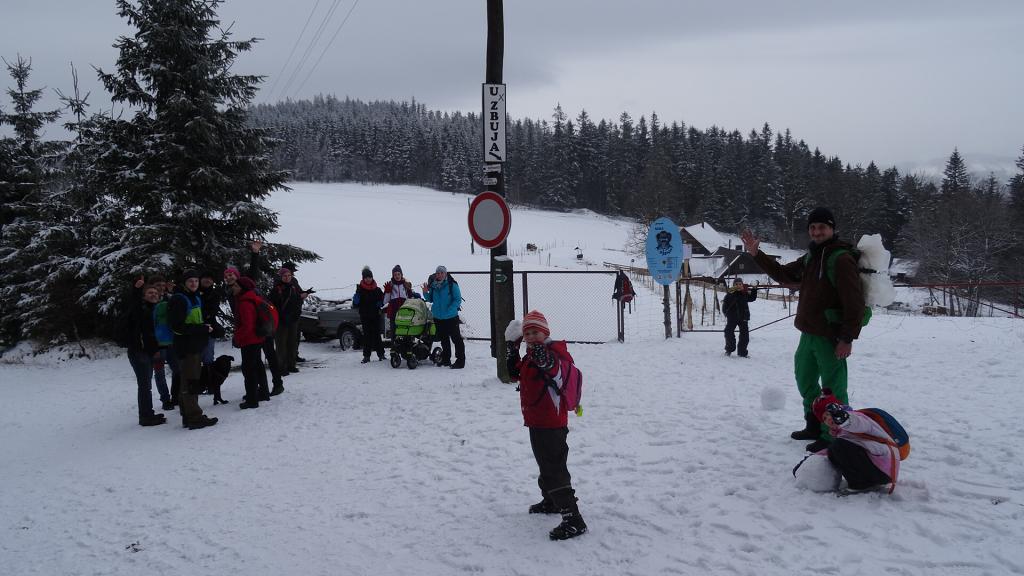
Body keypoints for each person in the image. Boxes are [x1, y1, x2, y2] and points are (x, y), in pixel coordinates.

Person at [741, 207, 865, 452]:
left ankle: (833, 435)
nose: (817, 231)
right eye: (813, 227)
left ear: (832, 229)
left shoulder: (840, 259)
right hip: (808, 332)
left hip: (831, 335)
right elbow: (785, 274)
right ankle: (813, 424)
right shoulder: (812, 257)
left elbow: (855, 302)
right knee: (805, 380)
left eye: (822, 227)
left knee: (833, 387)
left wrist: (847, 338)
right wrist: (757, 254)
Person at [506, 310, 587, 541]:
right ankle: (551, 501)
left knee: (554, 469)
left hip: (551, 423)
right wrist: (512, 349)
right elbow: (514, 375)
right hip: (537, 421)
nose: (531, 336)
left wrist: (542, 353)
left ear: (546, 333)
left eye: (536, 332)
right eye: (528, 333)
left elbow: (552, 369)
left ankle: (573, 519)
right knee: (545, 464)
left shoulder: (552, 354)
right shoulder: (531, 355)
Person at [812, 389, 898, 492]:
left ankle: (861, 484)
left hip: (885, 468)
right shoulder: (841, 433)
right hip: (877, 467)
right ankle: (863, 481)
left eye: (828, 414)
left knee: (839, 446)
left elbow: (859, 424)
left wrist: (844, 418)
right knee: (832, 451)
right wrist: (811, 458)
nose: (828, 419)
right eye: (824, 418)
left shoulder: (856, 417)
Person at [168, 270, 219, 430]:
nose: (194, 284)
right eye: (190, 281)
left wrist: (207, 328)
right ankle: (195, 417)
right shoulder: (179, 299)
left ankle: (187, 416)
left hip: (194, 345)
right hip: (187, 347)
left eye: (196, 281)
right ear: (184, 283)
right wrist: (201, 329)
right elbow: (177, 326)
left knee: (187, 382)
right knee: (191, 382)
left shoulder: (194, 297)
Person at [124, 284, 167, 426]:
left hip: (149, 352)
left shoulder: (155, 309)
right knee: (144, 384)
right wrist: (136, 289)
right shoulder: (139, 308)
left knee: (146, 383)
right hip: (139, 352)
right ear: (143, 295)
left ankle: (148, 413)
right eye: (150, 292)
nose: (153, 294)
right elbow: (133, 305)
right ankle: (145, 416)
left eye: (155, 292)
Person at [231, 276, 268, 409]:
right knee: (257, 365)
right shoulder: (250, 298)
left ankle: (252, 400)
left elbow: (248, 325)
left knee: (248, 370)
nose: (233, 288)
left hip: (250, 340)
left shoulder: (245, 302)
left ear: (242, 288)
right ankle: (262, 392)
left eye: (235, 286)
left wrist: (237, 338)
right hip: (256, 339)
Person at [422, 265, 465, 369]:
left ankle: (460, 361)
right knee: (444, 339)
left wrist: (451, 309)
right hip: (438, 317)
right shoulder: (433, 285)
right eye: (438, 273)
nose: (439, 275)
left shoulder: (451, 285)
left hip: (451, 317)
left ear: (445, 274)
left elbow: (457, 300)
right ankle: (446, 359)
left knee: (456, 339)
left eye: (441, 273)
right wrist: (425, 292)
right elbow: (430, 299)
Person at [269, 263, 308, 375]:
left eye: (289, 275)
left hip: (293, 319)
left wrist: (301, 297)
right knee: (281, 345)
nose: (287, 277)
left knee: (292, 343)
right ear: (280, 276)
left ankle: (291, 365)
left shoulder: (293, 286)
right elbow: (274, 304)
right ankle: (281, 368)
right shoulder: (276, 289)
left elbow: (295, 302)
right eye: (285, 276)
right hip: (281, 321)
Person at [354, 266, 386, 363]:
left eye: (369, 277)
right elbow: (356, 304)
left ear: (372, 277)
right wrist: (356, 299)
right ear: (363, 278)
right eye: (366, 277)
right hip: (365, 316)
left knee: (377, 336)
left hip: (376, 316)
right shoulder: (360, 290)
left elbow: (383, 301)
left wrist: (380, 303)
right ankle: (366, 356)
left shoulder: (377, 290)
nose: (368, 279)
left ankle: (381, 354)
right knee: (367, 336)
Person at [721, 278, 757, 357]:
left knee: (745, 336)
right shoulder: (730, 294)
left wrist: (754, 289)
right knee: (728, 332)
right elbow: (724, 306)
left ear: (742, 285)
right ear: (733, 285)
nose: (738, 286)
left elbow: (752, 298)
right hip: (732, 318)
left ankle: (742, 352)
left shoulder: (744, 293)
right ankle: (729, 349)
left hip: (743, 317)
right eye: (736, 284)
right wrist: (727, 315)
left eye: (740, 284)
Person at [382, 264, 413, 339]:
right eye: (395, 274)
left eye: (398, 274)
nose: (397, 276)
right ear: (393, 275)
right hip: (394, 312)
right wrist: (387, 291)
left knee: (406, 330)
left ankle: (407, 347)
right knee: (394, 331)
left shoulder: (406, 285)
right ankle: (394, 348)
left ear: (401, 275)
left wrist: (410, 292)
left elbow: (410, 299)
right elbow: (385, 301)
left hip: (404, 311)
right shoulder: (390, 285)